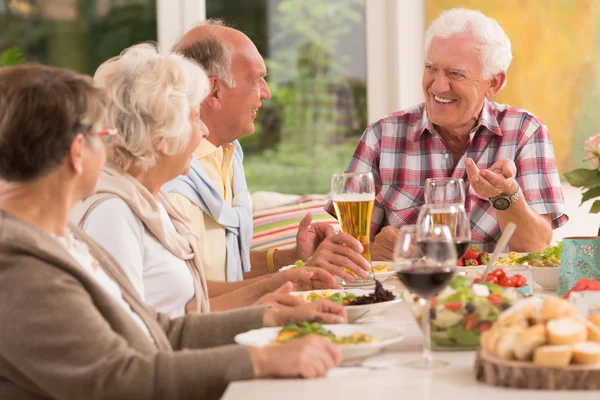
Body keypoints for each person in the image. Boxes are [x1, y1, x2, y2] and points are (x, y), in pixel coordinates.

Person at [0, 63, 346, 400]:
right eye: (102, 137)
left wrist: (268, 316)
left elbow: (158, 329)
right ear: (78, 152)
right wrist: (260, 360)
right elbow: (117, 379)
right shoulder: (21, 267)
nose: (110, 149)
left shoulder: (60, 241)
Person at [69, 43, 357, 317]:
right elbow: (143, 334)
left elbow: (192, 298)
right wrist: (265, 308)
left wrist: (290, 278)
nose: (204, 131)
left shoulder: (149, 200)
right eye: (195, 117)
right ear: (161, 137)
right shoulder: (114, 215)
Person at [327, 8, 568, 259]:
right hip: (407, 291)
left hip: (493, 293)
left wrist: (505, 196)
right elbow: (350, 248)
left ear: (494, 83)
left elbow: (537, 245)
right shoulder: (382, 135)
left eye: (456, 73)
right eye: (431, 68)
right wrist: (373, 253)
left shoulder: (525, 132)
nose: (438, 85)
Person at [164, 19, 371, 283]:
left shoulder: (226, 156)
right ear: (214, 91)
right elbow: (192, 299)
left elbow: (227, 270)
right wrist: (298, 275)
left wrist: (295, 256)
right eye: (257, 80)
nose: (267, 93)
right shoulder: (171, 176)